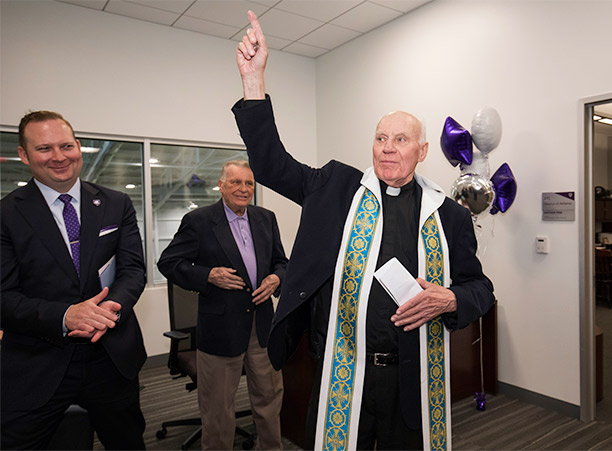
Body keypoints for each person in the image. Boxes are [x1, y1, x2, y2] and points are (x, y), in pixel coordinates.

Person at [233, 11, 496, 451]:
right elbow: (270, 163)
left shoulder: (447, 214)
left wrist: (451, 297)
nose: (387, 148)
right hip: (341, 372)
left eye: (400, 139)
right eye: (380, 138)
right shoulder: (335, 188)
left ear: (423, 150)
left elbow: (481, 288)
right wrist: (253, 82)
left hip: (412, 382)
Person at [0, 111, 147, 449]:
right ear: (24, 155)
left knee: (127, 443)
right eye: (44, 148)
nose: (59, 156)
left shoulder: (115, 203)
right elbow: (3, 296)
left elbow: (133, 270)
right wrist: (66, 316)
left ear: (79, 147)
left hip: (111, 357)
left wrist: (110, 309)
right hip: (38, 362)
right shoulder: (6, 215)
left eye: (66, 145)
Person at [157, 160, 287, 450]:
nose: (243, 189)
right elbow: (168, 262)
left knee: (269, 400)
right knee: (218, 410)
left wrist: (277, 278)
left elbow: (282, 262)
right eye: (236, 182)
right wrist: (208, 275)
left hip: (263, 326)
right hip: (221, 329)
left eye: (249, 183)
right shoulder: (200, 221)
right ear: (221, 185)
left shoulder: (266, 218)